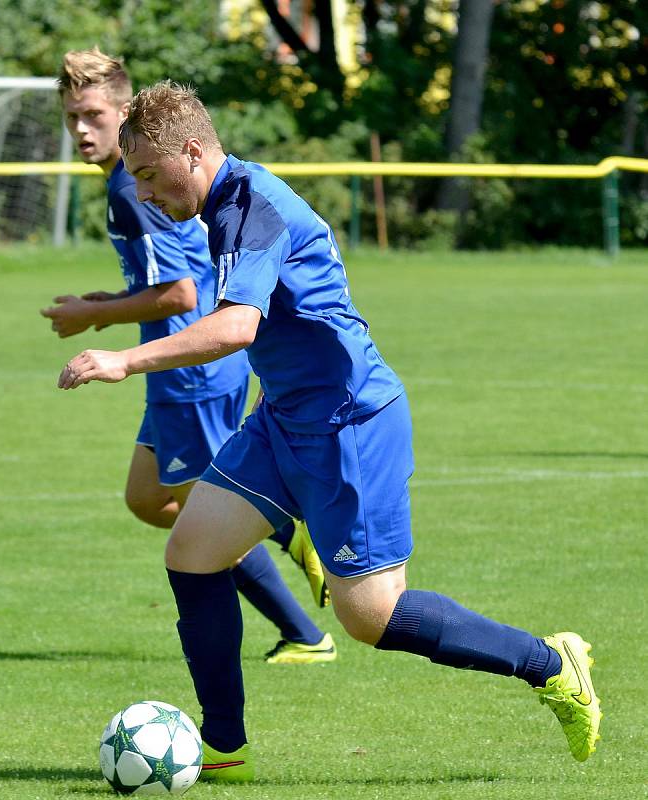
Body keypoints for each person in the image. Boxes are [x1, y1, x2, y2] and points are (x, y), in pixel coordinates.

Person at [57, 80, 602, 781]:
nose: (148, 193)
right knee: (192, 551)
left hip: (350, 424)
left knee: (371, 617)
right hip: (283, 417)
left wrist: (121, 359)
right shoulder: (223, 205)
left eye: (151, 175)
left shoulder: (253, 208)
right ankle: (224, 747)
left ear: (192, 151)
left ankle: (552, 663)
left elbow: (235, 327)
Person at [43, 49, 335, 666]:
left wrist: (98, 319)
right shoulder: (137, 182)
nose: (81, 130)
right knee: (149, 499)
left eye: (92, 114)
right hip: (181, 369)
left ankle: (303, 612)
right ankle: (287, 544)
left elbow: (180, 294)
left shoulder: (131, 186)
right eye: (71, 116)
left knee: (202, 516)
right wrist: (107, 302)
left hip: (193, 371)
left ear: (126, 115)